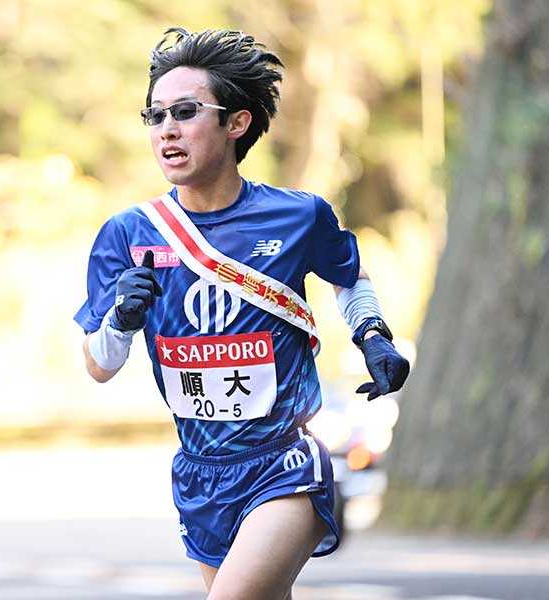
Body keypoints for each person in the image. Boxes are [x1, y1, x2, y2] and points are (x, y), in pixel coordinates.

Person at [74, 28, 409, 600]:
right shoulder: (128, 234)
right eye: (154, 116)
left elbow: (348, 275)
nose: (167, 130)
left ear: (237, 123)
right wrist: (121, 322)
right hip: (200, 475)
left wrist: (372, 336)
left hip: (283, 464)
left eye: (185, 111)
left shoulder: (298, 218)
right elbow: (98, 365)